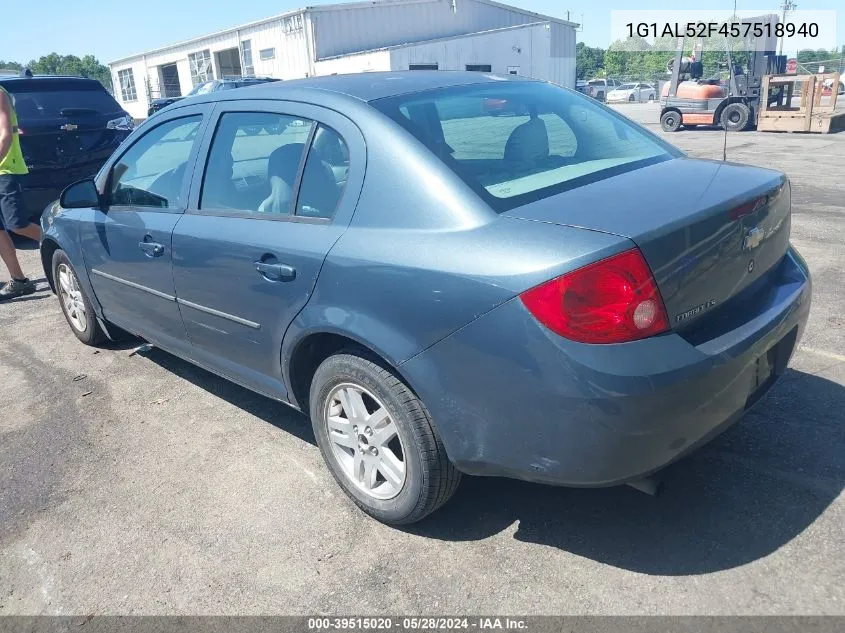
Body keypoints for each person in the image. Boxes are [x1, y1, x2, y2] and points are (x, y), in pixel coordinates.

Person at [0, 81, 40, 301]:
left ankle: (66, 245)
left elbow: (5, 134)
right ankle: (20, 281)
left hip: (5, 169)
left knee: (17, 224)